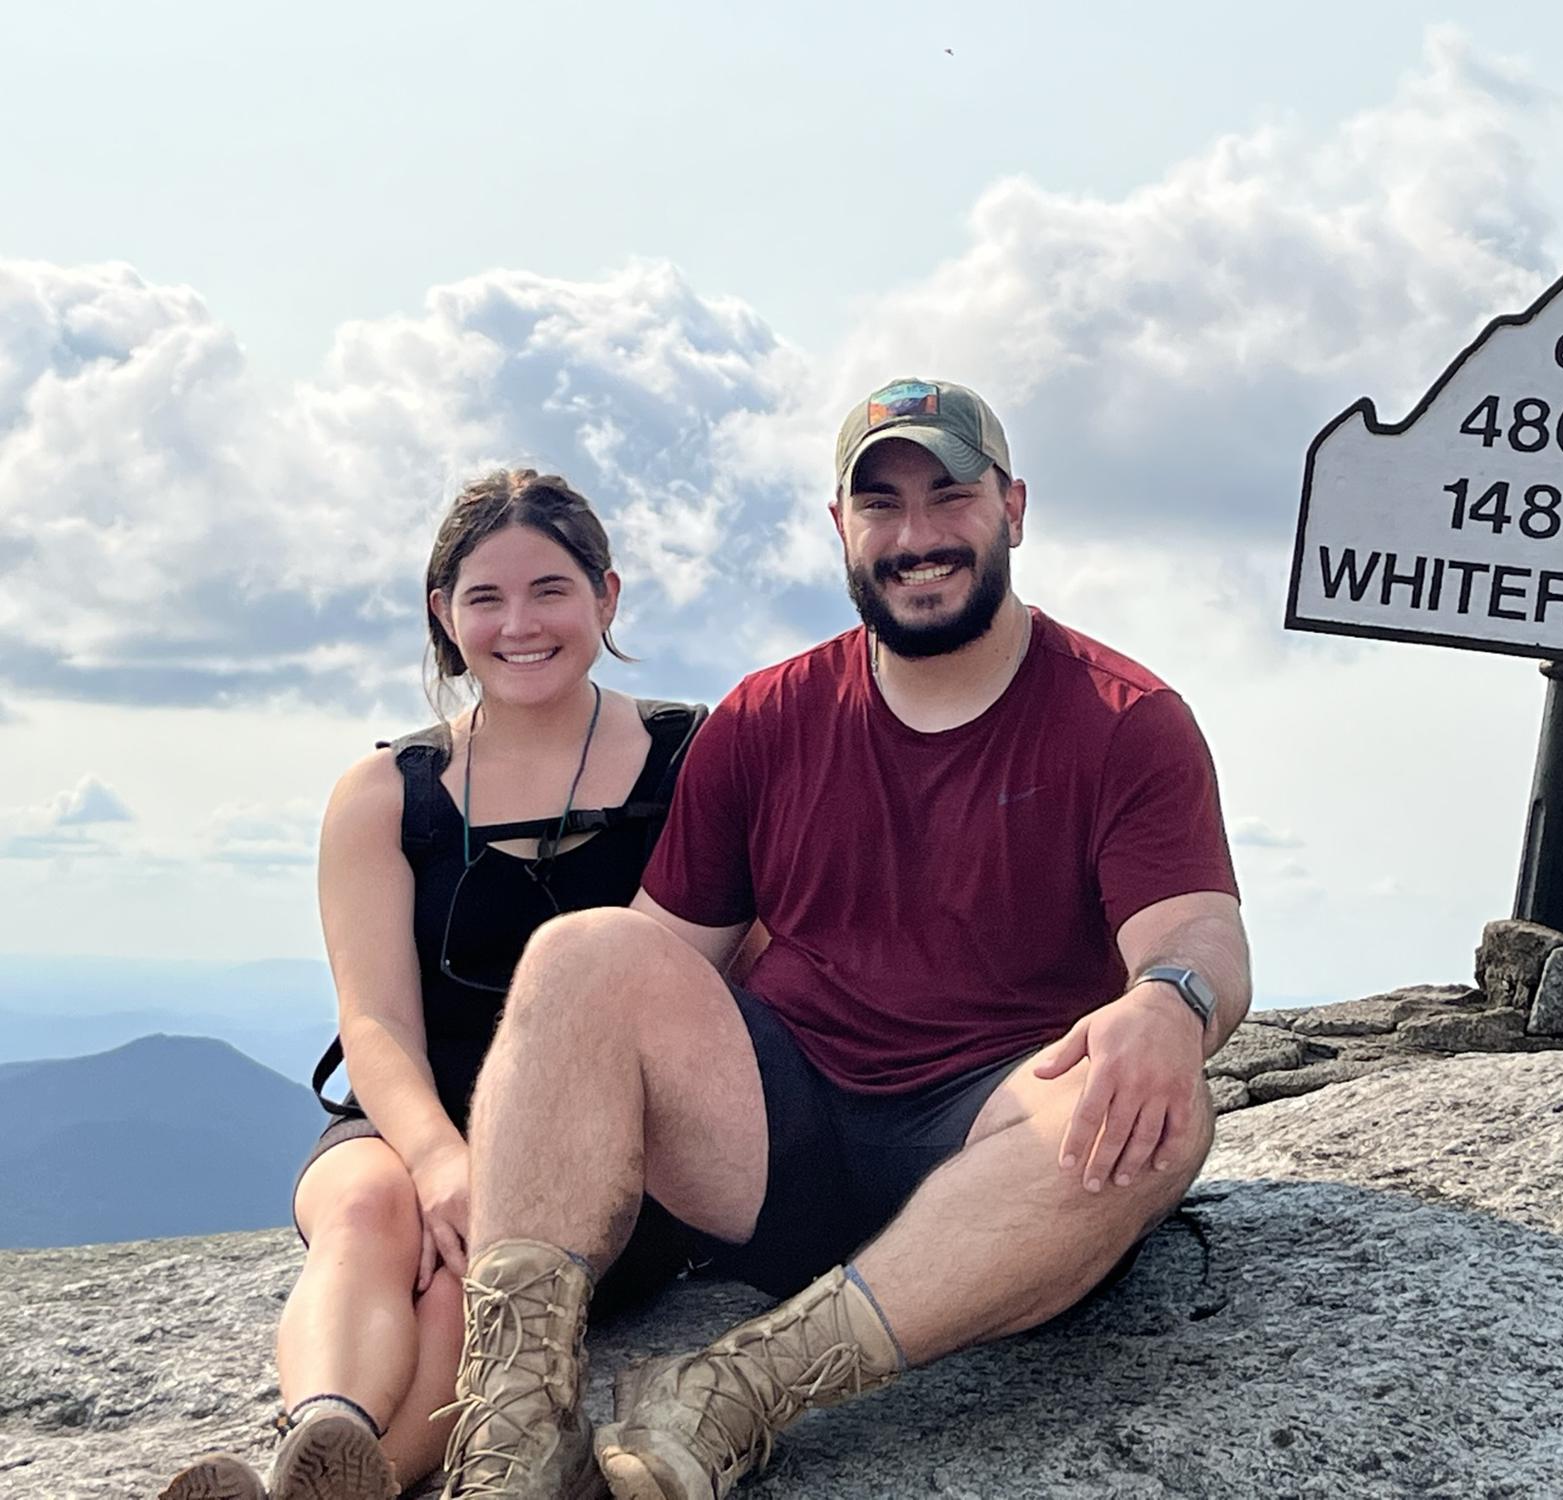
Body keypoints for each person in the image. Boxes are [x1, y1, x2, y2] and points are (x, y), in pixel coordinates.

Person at [437, 379, 1250, 1500]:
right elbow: (652, 968)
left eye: (949, 497)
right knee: (581, 954)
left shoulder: (1122, 719)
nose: (916, 537)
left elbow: (1196, 930)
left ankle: (732, 1393)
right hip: (778, 1144)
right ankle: (515, 1443)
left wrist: (1168, 1001)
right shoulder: (767, 718)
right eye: (881, 506)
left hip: (990, 1157)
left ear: (1012, 507)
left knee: (1163, 1117)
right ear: (840, 527)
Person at [162, 471, 705, 1500]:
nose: (518, 624)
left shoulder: (693, 758)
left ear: (607, 596)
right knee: (367, 1210)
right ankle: (323, 1433)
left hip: (603, 1148)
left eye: (549, 589)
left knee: (474, 1287)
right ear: (441, 614)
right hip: (410, 1120)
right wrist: (439, 1158)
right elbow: (371, 1017)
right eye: (484, 598)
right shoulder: (383, 794)